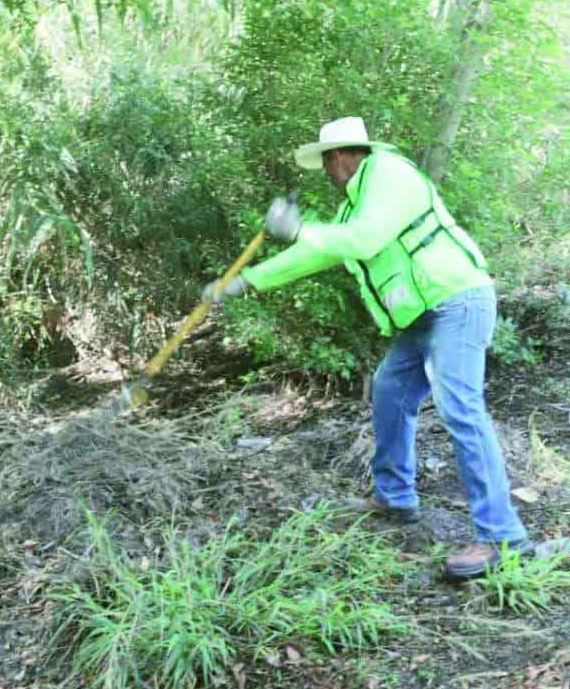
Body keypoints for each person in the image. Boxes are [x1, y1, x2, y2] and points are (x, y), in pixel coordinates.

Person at [202, 117, 530, 579]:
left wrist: (297, 227)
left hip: (457, 300)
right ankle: (395, 498)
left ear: (338, 157)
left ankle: (502, 535)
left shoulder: (389, 174)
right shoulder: (355, 205)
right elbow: (320, 251)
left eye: (325, 164)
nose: (326, 174)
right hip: (422, 316)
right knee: (390, 391)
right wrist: (246, 281)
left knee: (459, 406)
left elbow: (364, 239)